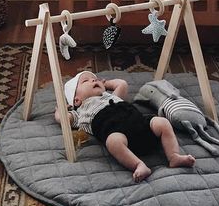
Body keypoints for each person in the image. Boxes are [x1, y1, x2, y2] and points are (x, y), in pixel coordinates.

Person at [55, 71, 195, 182]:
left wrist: (106, 83)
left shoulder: (113, 97)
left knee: (162, 122)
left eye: (96, 79)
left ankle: (174, 156)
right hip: (120, 136)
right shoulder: (81, 113)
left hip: (143, 126)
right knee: (112, 141)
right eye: (86, 81)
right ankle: (138, 165)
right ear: (76, 100)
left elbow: (122, 84)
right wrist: (60, 109)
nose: (94, 80)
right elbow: (64, 119)